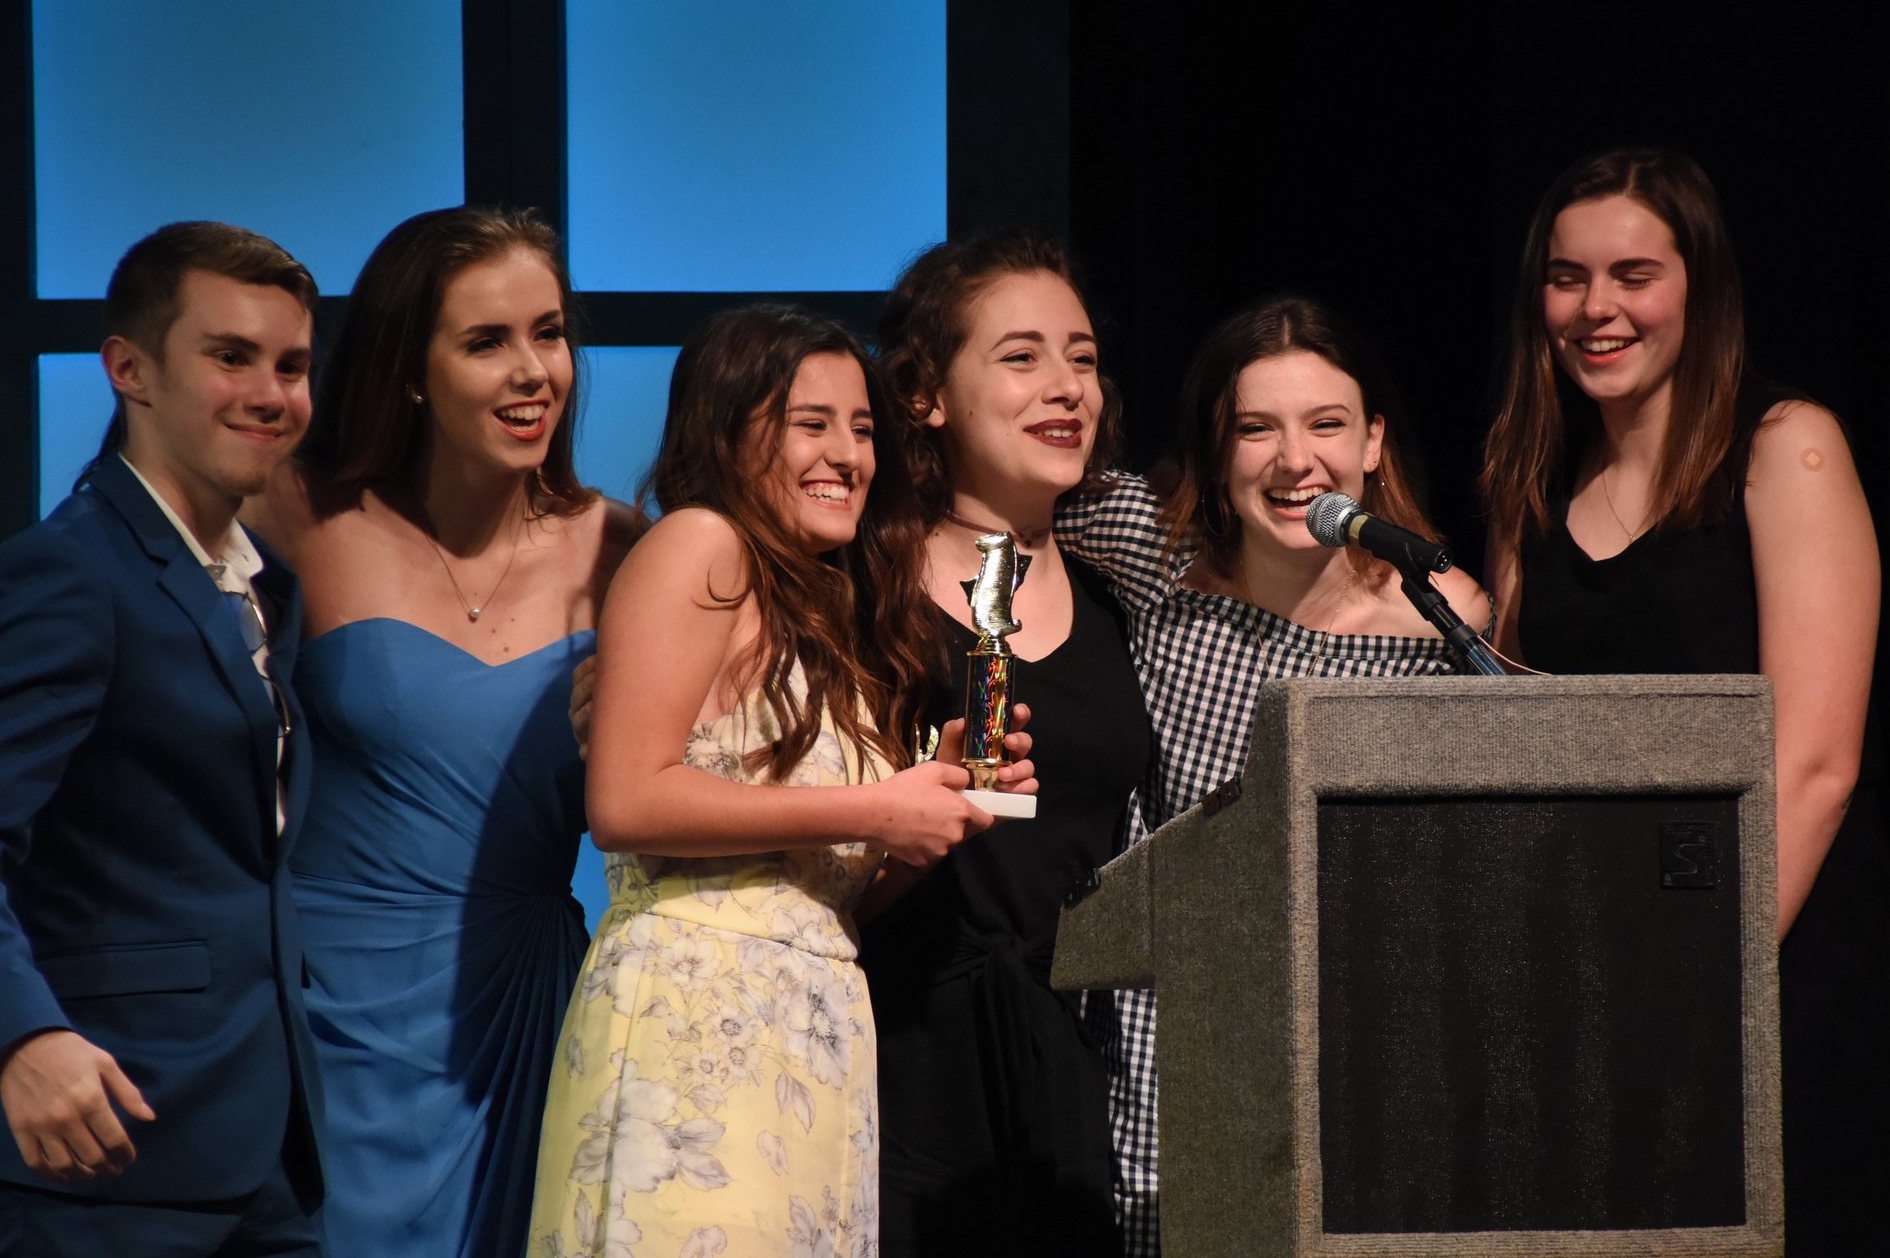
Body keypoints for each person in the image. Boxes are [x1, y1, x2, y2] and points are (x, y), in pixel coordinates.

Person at [529, 303, 1032, 1255]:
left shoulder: (831, 609)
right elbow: (626, 802)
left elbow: (824, 891)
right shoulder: (698, 542)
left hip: (812, 1038)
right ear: (729, 430)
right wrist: (877, 804)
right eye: (813, 424)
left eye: (863, 428)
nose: (849, 454)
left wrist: (936, 802)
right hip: (691, 1025)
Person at [1479, 147, 1887, 1253]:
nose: (1597, 307)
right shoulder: (1533, 479)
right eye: (1567, 278)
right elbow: (1514, 733)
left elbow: (1817, 768)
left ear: (1698, 286)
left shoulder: (1784, 448)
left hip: (1758, 965)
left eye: (1633, 274)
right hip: (1591, 972)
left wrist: (1702, 981)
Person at [243, 206, 640, 1258]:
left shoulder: (629, 550)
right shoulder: (296, 510)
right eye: (486, 341)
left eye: (549, 333)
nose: (532, 372)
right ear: (409, 370)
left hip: (521, 1018)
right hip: (325, 1013)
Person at [1057, 294, 1488, 1256]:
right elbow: (988, 495)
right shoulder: (1156, 553)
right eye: (1256, 428)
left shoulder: (1446, 626)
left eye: (1326, 424)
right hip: (1163, 1032)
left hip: (1351, 1044)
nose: (1295, 460)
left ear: (1373, 442)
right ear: (1216, 450)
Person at [0, 222, 323, 1255]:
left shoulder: (265, 585)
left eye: (292, 365)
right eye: (230, 357)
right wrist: (22, 1035)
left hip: (259, 1142)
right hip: (105, 1144)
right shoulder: (72, 573)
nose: (271, 393)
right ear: (129, 369)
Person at [860, 229, 1152, 1256]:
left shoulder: (1127, 595)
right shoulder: (860, 585)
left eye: (1082, 357)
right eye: (1021, 357)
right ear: (926, 393)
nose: (1067, 385)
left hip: (1069, 1060)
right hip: (897, 1053)